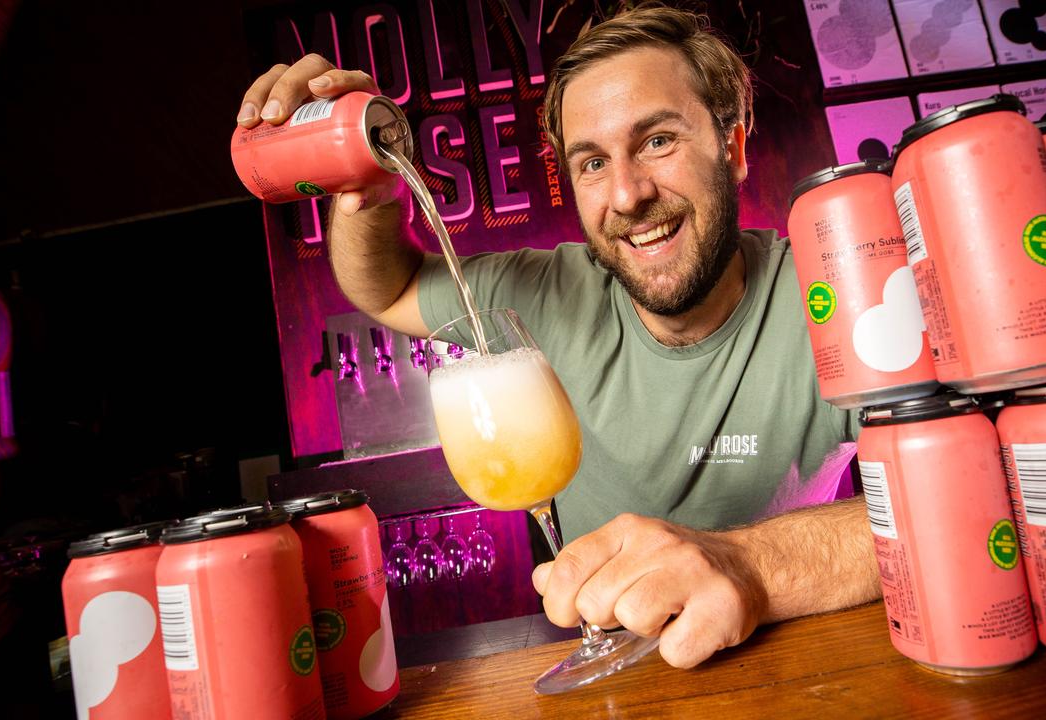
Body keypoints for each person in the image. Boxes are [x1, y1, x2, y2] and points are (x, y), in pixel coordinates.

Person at [236, 3, 880, 668]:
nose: (628, 196)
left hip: (803, 665)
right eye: (593, 162)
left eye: (658, 140)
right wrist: (364, 188)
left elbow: (970, 503)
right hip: (616, 679)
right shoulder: (545, 294)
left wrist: (748, 565)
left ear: (733, 148)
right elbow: (388, 287)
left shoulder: (832, 294)